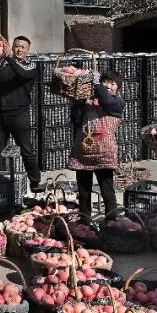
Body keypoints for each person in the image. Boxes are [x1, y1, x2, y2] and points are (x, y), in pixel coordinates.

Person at [67, 70, 125, 216]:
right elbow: (75, 119)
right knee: (84, 191)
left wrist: (97, 84)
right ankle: (85, 221)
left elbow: (106, 100)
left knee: (107, 190)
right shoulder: (88, 100)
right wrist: (77, 102)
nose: (109, 86)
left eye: (113, 84)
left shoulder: (117, 102)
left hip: (104, 154)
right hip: (84, 152)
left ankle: (112, 222)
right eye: (106, 82)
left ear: (117, 89)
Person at [0, 35, 43, 192]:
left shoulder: (30, 65)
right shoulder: (3, 66)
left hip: (19, 114)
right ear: (12, 48)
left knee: (26, 150)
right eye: (16, 46)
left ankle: (35, 182)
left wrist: (8, 59)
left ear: (27, 50)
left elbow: (23, 74)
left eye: (22, 47)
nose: (19, 49)